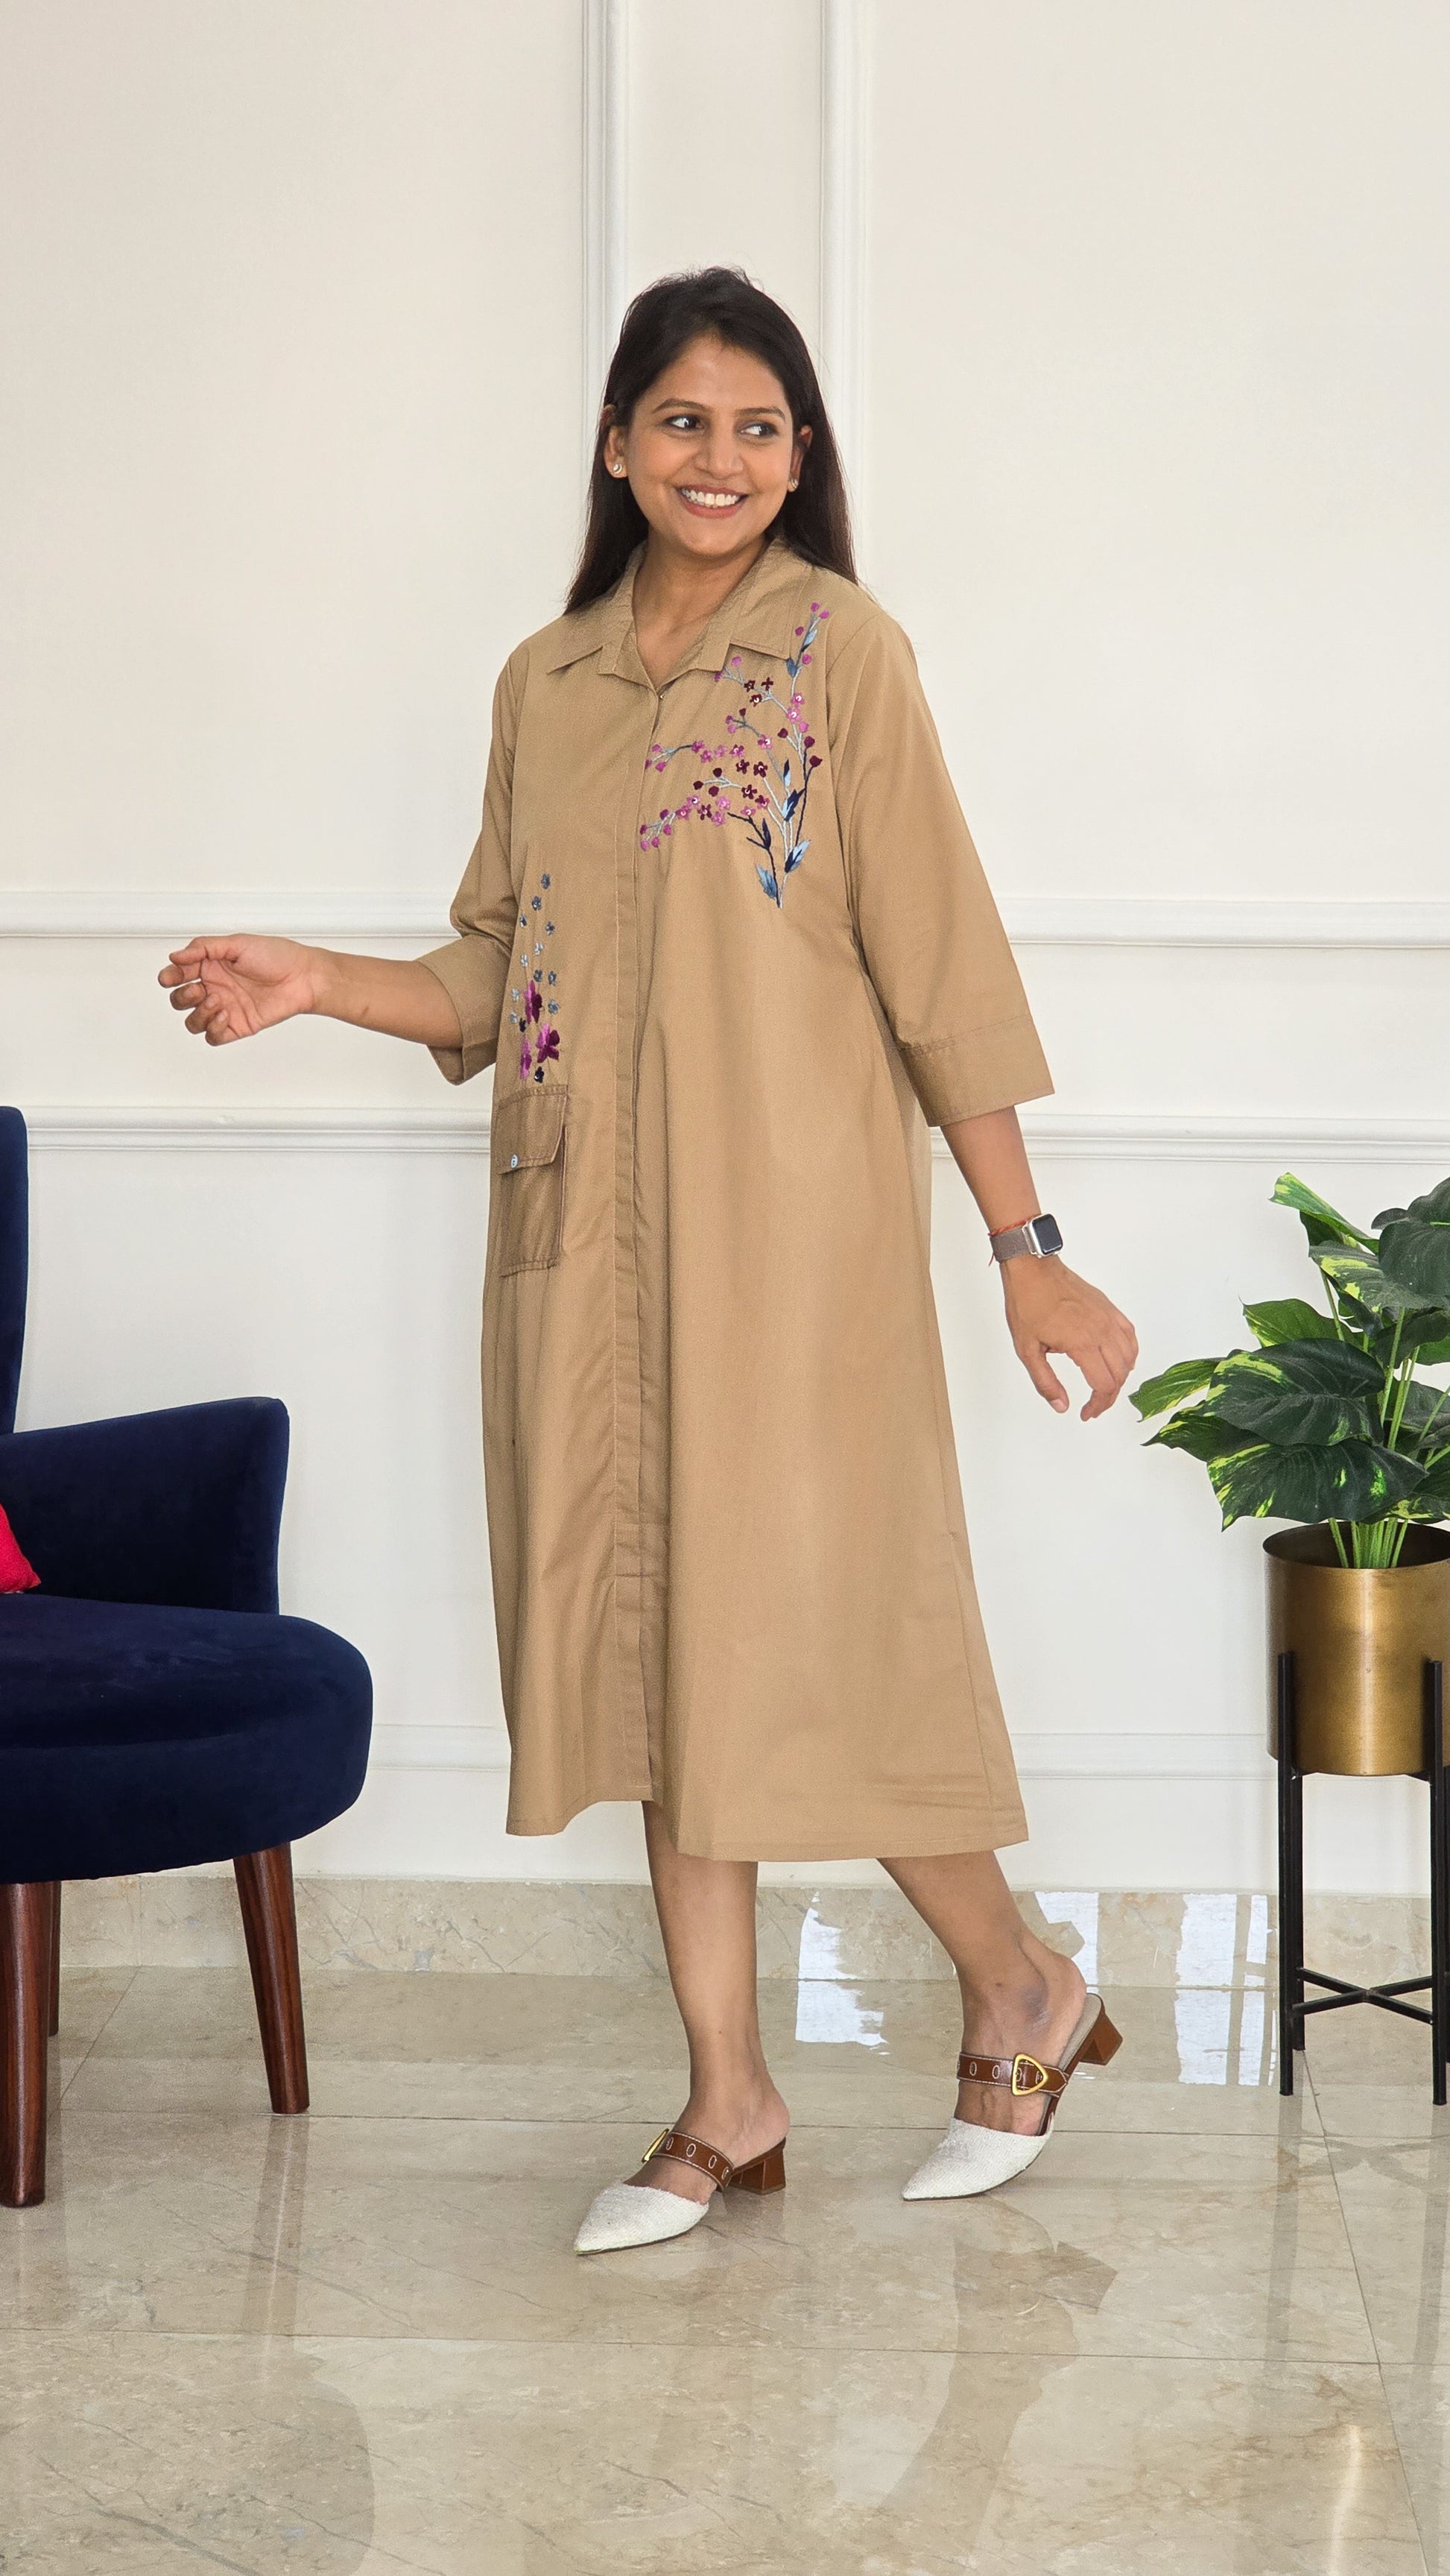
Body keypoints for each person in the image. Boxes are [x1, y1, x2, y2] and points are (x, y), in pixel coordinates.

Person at [160, 267, 1139, 2254]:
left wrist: (1025, 1247)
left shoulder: (841, 655)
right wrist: (317, 980)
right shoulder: (547, 683)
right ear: (617, 444)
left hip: (794, 1258)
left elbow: (940, 964)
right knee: (652, 1663)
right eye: (684, 419)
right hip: (579, 1249)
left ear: (801, 458)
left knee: (814, 1648)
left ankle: (1022, 1984)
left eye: (759, 426)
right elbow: (491, 967)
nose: (720, 456)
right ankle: (726, 2096)